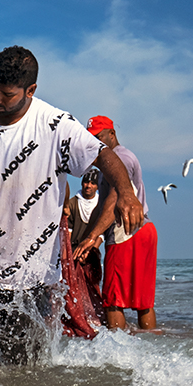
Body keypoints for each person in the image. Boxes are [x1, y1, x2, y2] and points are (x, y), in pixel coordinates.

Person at [0, 46, 145, 364]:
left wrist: (127, 193)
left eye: (6, 94)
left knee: (24, 367)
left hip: (31, 271)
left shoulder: (56, 125)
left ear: (30, 90)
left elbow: (103, 155)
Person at [72, 116, 158, 331]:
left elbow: (113, 201)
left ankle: (116, 351)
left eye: (99, 137)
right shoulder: (117, 160)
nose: (95, 143)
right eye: (91, 139)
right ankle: (151, 346)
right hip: (143, 230)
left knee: (112, 301)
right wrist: (95, 239)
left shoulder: (120, 159)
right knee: (143, 302)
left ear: (112, 134)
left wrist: (92, 237)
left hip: (125, 232)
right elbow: (105, 203)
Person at [64, 169, 103, 314]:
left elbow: (101, 234)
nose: (88, 186)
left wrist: (90, 251)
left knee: (93, 289)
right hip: (73, 254)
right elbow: (67, 235)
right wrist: (71, 256)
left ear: (97, 186)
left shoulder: (101, 205)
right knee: (72, 290)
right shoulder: (72, 204)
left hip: (91, 254)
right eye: (86, 182)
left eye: (93, 183)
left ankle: (96, 318)